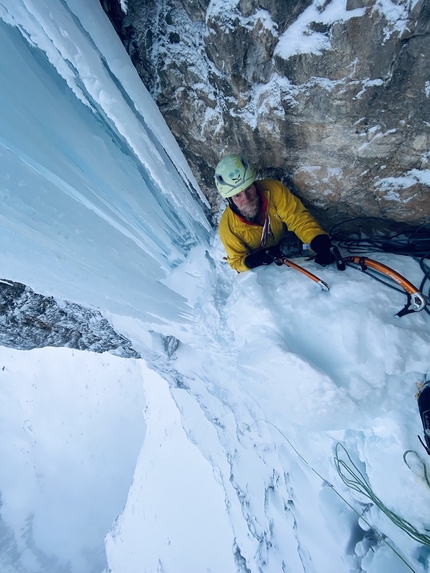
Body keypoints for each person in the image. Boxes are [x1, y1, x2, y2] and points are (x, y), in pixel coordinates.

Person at [215, 154, 335, 273]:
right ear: (229, 199)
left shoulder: (274, 190)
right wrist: (254, 260)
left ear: (254, 184)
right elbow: (236, 262)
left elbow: (298, 218)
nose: (246, 199)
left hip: (286, 245)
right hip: (265, 269)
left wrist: (318, 240)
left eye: (248, 189)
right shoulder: (228, 228)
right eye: (237, 195)